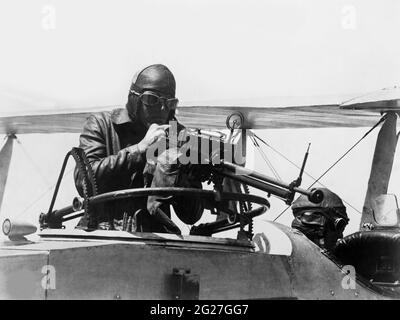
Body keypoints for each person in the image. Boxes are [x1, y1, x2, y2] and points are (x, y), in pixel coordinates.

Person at [74, 64, 203, 233]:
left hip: (156, 241)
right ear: (134, 98)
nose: (162, 108)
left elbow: (191, 215)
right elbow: (84, 181)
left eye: (170, 103)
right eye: (152, 100)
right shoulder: (101, 124)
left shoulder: (176, 137)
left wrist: (182, 172)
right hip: (105, 236)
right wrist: (139, 150)